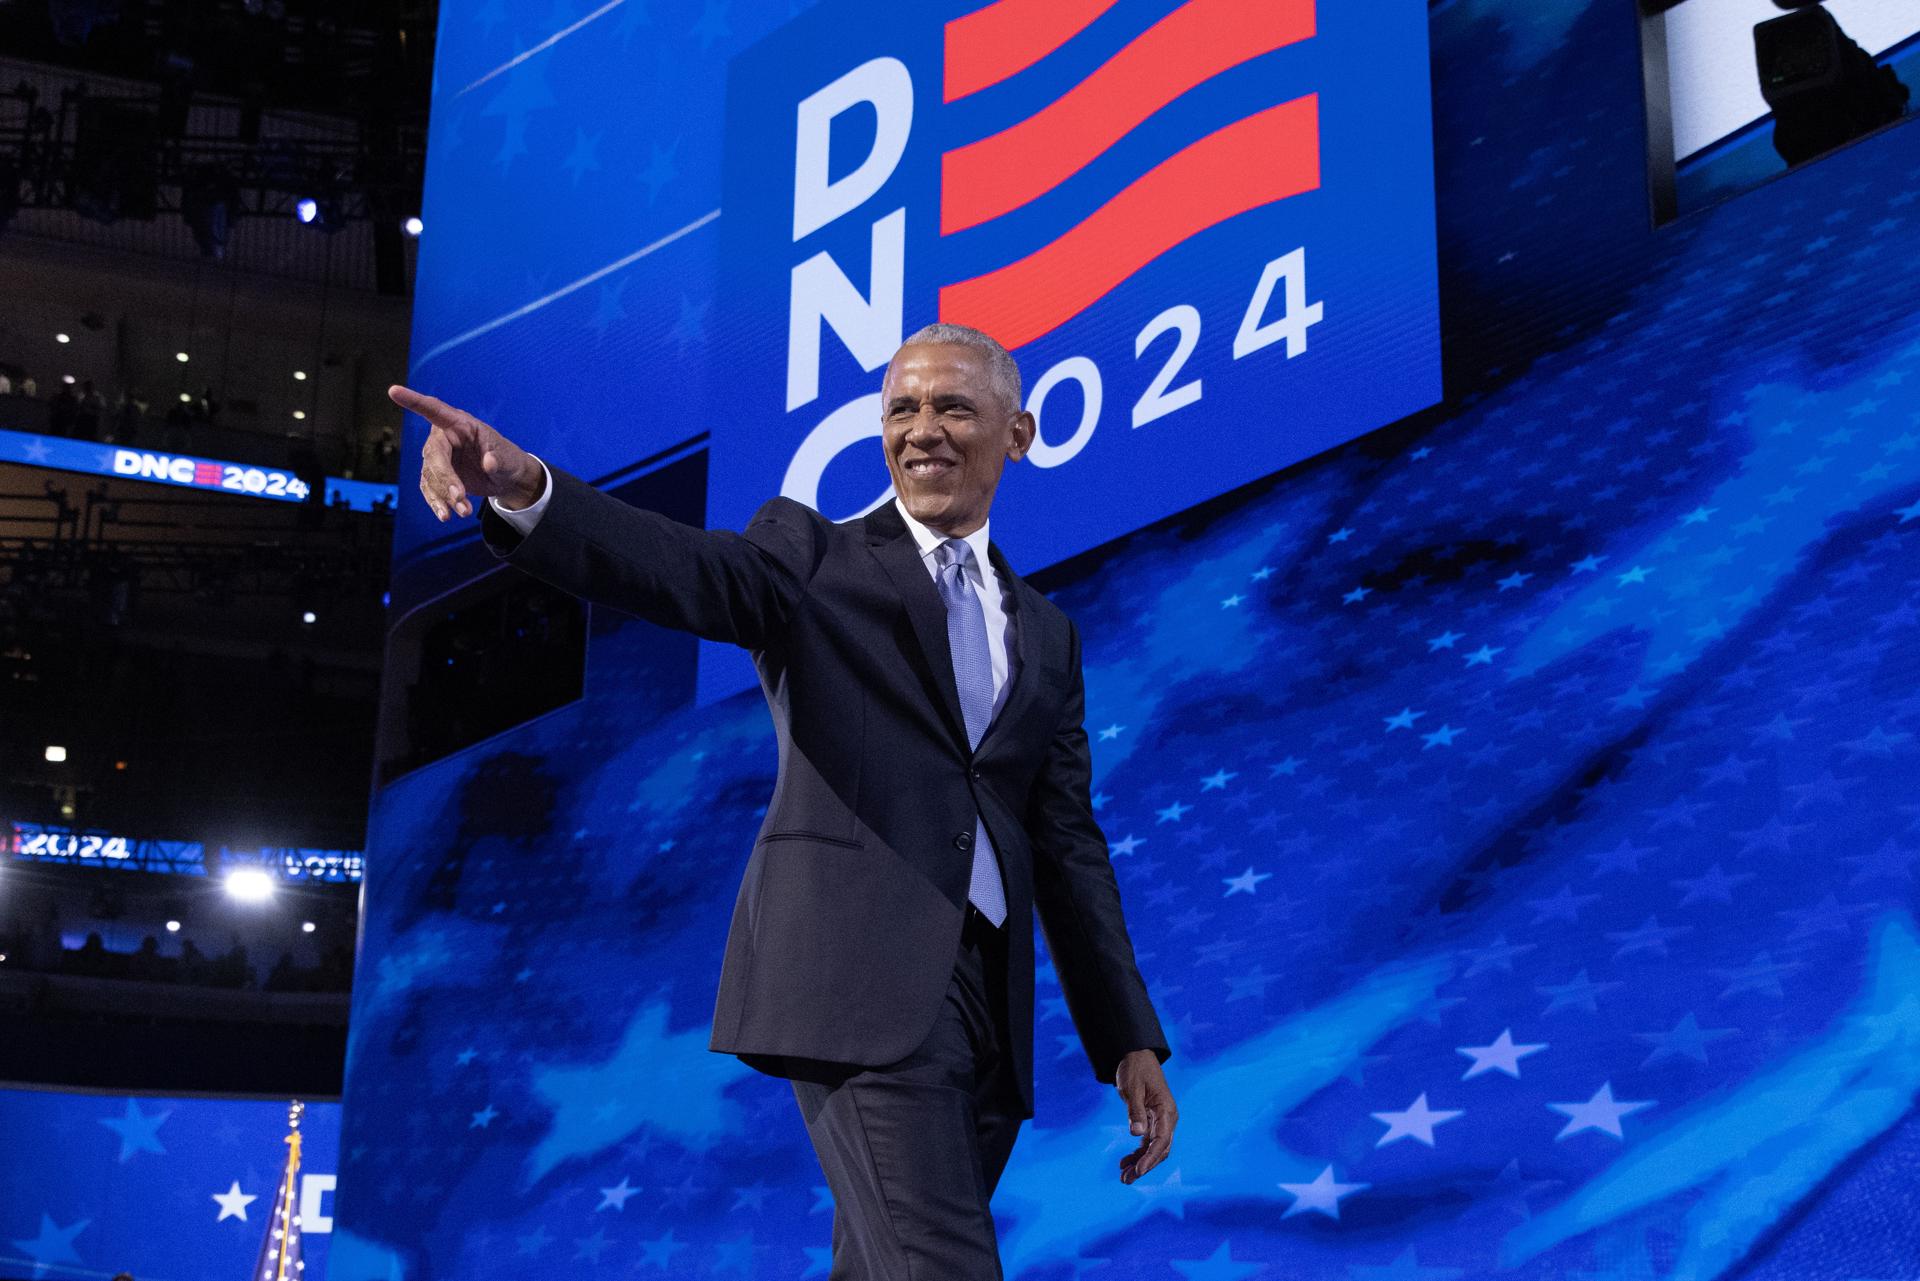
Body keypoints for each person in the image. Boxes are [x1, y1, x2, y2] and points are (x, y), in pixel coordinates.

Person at [391, 323, 1179, 1278]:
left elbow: (1066, 843)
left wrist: (1127, 1035)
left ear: (1017, 433)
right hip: (855, 981)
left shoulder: (1047, 634)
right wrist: (526, 488)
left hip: (984, 1007)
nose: (920, 429)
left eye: (952, 407)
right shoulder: (810, 554)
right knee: (943, 1265)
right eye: (902, 408)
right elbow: (681, 569)